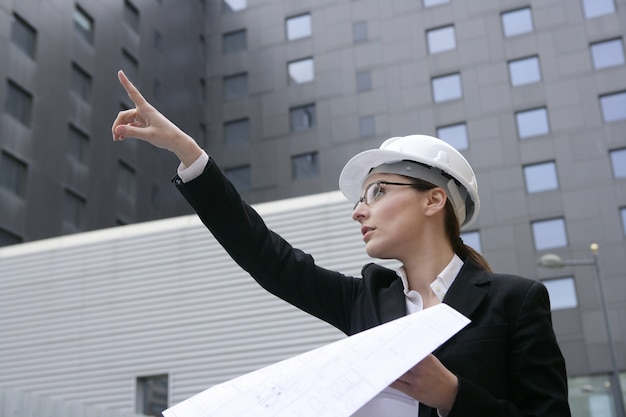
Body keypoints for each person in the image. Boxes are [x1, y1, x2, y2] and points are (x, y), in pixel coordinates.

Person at [111, 70, 571, 417]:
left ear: (434, 199)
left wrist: (451, 394)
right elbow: (265, 255)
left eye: (378, 191)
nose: (358, 210)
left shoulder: (516, 301)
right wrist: (187, 153)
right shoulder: (364, 300)